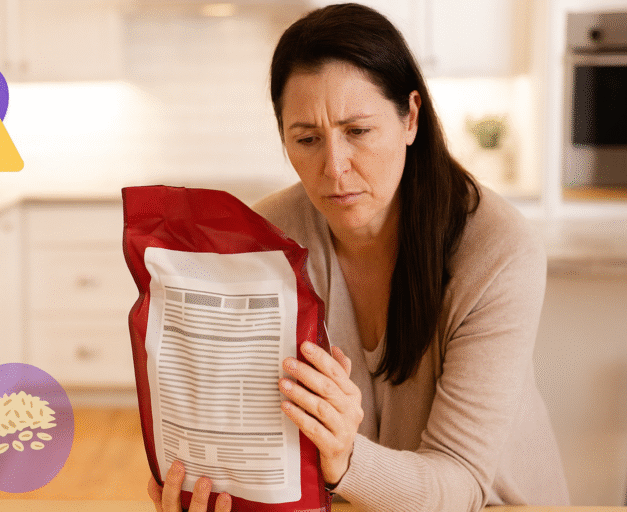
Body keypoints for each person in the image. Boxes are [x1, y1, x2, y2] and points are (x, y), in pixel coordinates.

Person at [147, 3, 570, 511]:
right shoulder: (267, 241)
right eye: (306, 139)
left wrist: (345, 458)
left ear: (410, 117)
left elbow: (459, 485)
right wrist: (211, 480)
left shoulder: (498, 250)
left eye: (358, 131)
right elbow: (256, 436)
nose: (334, 167)